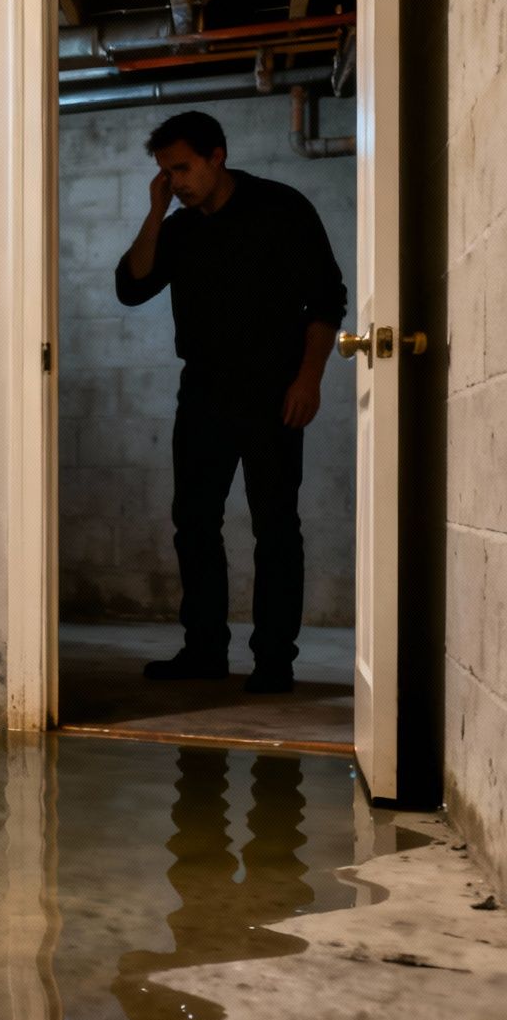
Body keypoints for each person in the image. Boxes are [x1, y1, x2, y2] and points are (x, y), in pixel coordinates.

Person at [114, 111, 347, 694]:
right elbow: (132, 285)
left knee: (275, 526)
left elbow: (327, 300)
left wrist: (308, 379)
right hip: (203, 391)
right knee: (193, 523)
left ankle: (274, 661)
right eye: (167, 171)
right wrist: (155, 211)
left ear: (217, 155)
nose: (177, 180)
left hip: (274, 389)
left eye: (183, 168)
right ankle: (204, 650)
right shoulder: (180, 226)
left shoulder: (280, 208)